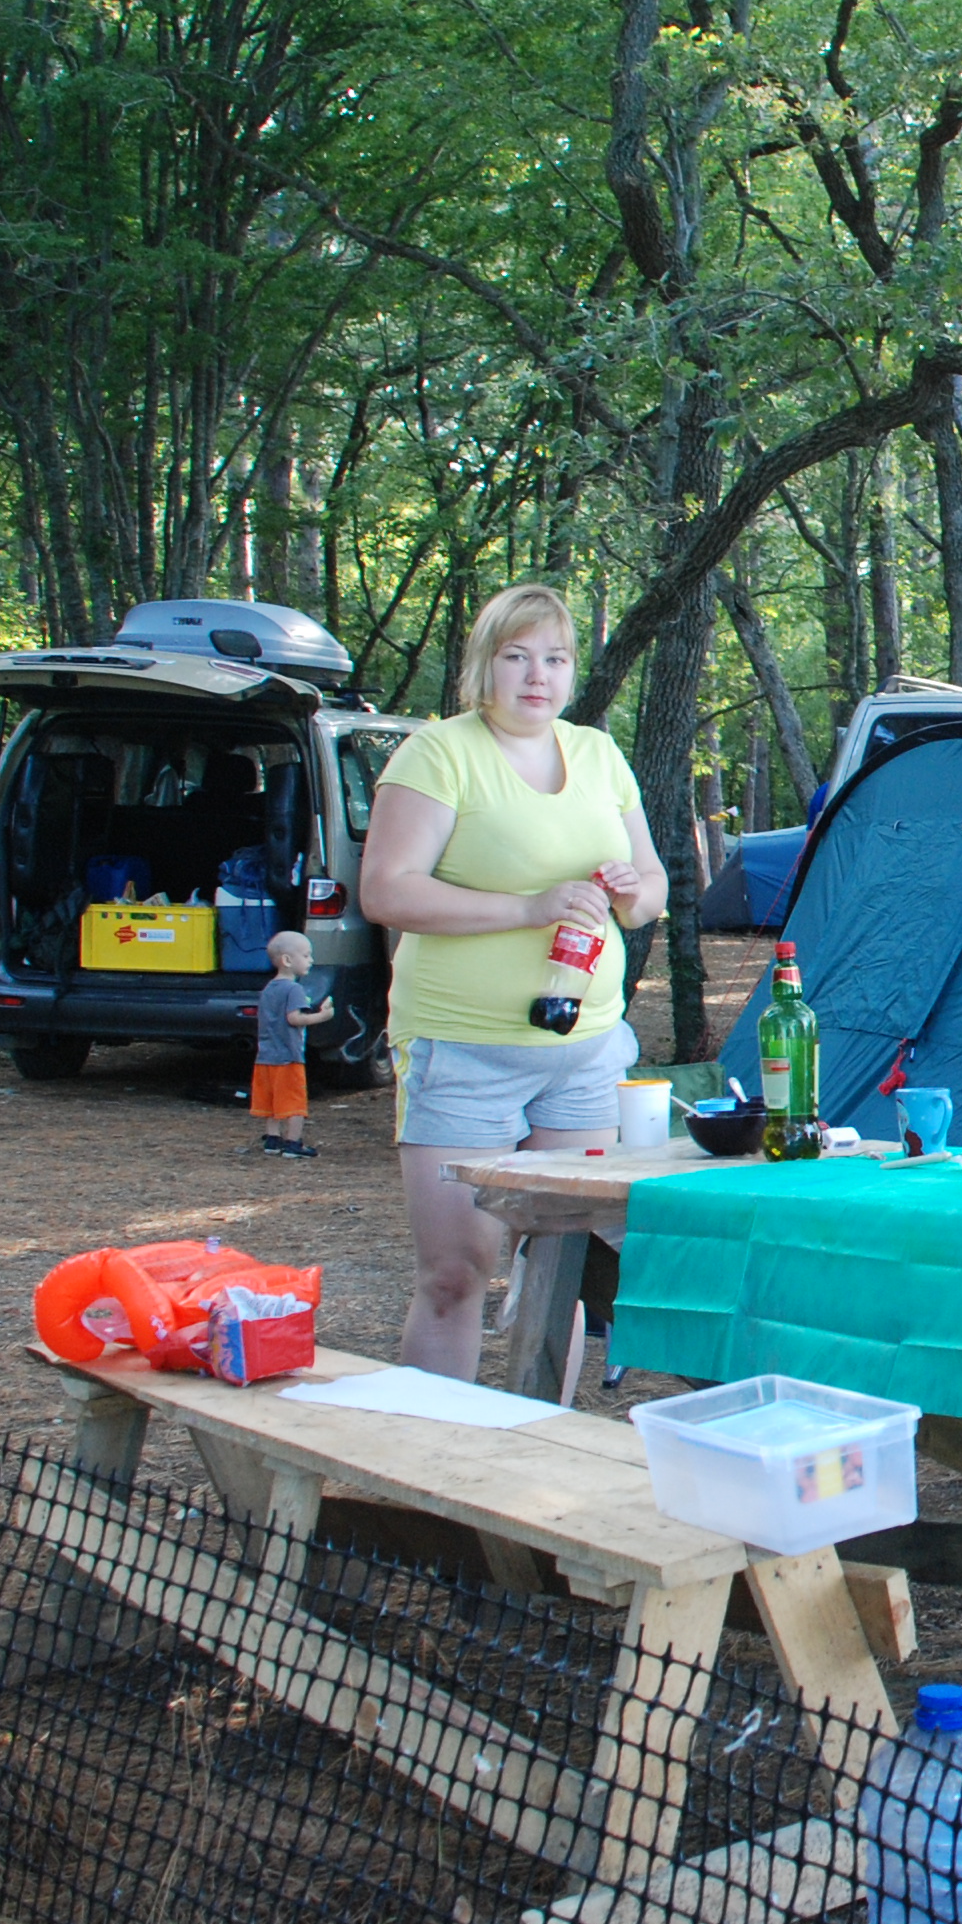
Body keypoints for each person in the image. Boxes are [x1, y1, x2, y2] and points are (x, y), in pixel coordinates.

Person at [356, 583, 668, 1380]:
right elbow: (387, 890)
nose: (538, 676)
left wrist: (632, 891)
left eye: (555, 659)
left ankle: (538, 1455)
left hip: (583, 1050)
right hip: (463, 1050)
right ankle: (436, 1471)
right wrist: (530, 906)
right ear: (484, 666)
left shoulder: (599, 755)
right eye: (518, 657)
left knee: (561, 1271)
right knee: (457, 1273)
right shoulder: (438, 753)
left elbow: (653, 893)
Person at [249, 931, 330, 1159]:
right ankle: (293, 1142)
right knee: (294, 1102)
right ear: (287, 960)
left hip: (265, 1055)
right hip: (289, 1056)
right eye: (306, 955)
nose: (310, 960)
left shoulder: (268, 989)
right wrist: (322, 1016)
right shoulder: (294, 989)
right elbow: (294, 1018)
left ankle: (272, 1139)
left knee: (272, 1099)